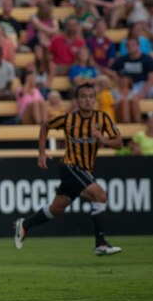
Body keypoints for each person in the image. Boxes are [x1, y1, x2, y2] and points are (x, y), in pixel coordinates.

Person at [14, 83, 122, 256]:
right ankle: (101, 244)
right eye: (83, 97)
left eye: (91, 97)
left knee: (56, 209)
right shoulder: (69, 119)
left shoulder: (103, 119)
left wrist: (103, 140)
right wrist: (42, 153)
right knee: (100, 195)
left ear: (95, 99)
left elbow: (119, 143)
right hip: (70, 166)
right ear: (77, 100)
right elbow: (45, 126)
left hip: (84, 170)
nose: (87, 100)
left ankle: (25, 225)